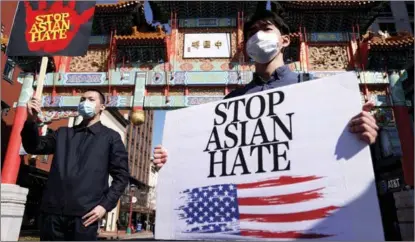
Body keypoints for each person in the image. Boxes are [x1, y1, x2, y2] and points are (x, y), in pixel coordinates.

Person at [152, 10, 379, 168]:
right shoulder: (232, 101)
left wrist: (360, 130)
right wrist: (173, 159)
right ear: (246, 48)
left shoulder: (315, 87)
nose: (258, 36)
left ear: (285, 40)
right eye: (252, 33)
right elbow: (211, 154)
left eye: (267, 29)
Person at [22, 89, 129, 241]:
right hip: (52, 213)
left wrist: (104, 206)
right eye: (82, 99)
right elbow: (34, 147)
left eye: (91, 99)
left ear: (102, 107)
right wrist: (31, 121)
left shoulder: (111, 138)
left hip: (85, 216)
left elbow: (122, 176)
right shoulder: (62, 133)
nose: (85, 103)